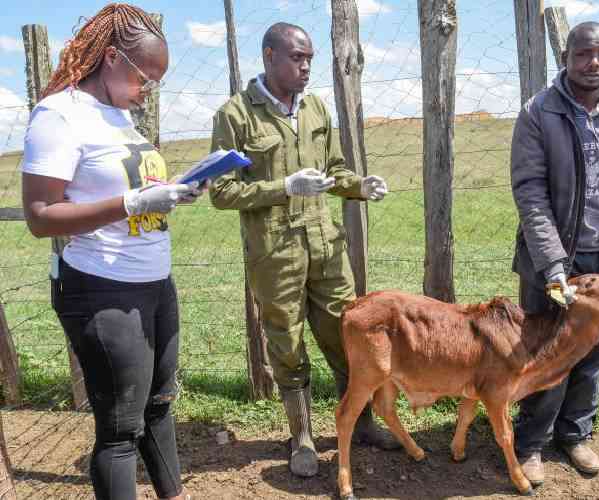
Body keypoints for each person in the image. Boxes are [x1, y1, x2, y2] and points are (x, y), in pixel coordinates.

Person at [20, 4, 199, 500]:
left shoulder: (120, 117)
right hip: (101, 288)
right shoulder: (60, 114)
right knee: (120, 429)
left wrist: (170, 193)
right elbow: (40, 215)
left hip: (154, 283)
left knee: (160, 405)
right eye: (147, 77)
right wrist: (133, 201)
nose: (150, 90)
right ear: (113, 57)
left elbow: (132, 200)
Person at [209, 22, 398, 478]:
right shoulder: (237, 115)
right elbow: (219, 190)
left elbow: (333, 169)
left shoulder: (314, 108)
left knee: (349, 336)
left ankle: (362, 424)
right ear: (270, 55)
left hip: (326, 247)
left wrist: (359, 186)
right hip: (276, 255)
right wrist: (283, 187)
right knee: (287, 346)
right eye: (297, 57)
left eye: (310, 58)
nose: (306, 67)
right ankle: (303, 438)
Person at [510, 21, 599, 485]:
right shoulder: (539, 112)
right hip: (553, 261)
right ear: (565, 58)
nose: (594, 63)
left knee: (593, 355)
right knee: (544, 354)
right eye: (584, 54)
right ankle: (529, 444)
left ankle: (574, 436)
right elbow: (530, 193)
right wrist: (553, 266)